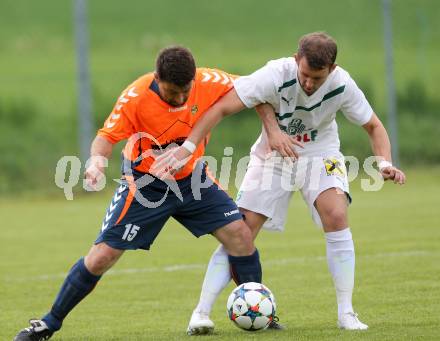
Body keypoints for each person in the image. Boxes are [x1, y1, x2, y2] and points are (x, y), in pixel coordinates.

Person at [153, 32, 406, 333]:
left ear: (332, 69)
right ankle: (201, 313)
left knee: (337, 215)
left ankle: (346, 313)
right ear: (296, 60)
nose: (310, 83)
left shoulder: (343, 85)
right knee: (241, 232)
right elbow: (221, 107)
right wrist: (187, 148)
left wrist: (385, 163)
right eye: (305, 75)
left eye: (318, 77)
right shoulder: (275, 73)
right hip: (271, 156)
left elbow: (374, 126)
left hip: (320, 152)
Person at [14, 46, 265, 341]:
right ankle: (48, 324)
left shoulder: (208, 80)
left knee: (240, 234)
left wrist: (273, 129)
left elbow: (257, 88)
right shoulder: (136, 97)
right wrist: (96, 162)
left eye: (186, 91)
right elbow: (105, 138)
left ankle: (259, 313)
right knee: (102, 256)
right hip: (146, 185)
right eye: (173, 93)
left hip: (192, 179)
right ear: (157, 78)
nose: (181, 99)